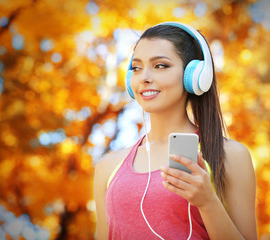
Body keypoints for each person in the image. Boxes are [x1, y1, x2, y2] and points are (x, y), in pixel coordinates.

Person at [94, 22, 257, 240]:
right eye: (136, 67)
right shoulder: (108, 167)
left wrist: (208, 202)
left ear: (194, 76)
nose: (144, 77)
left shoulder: (230, 156)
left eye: (160, 65)